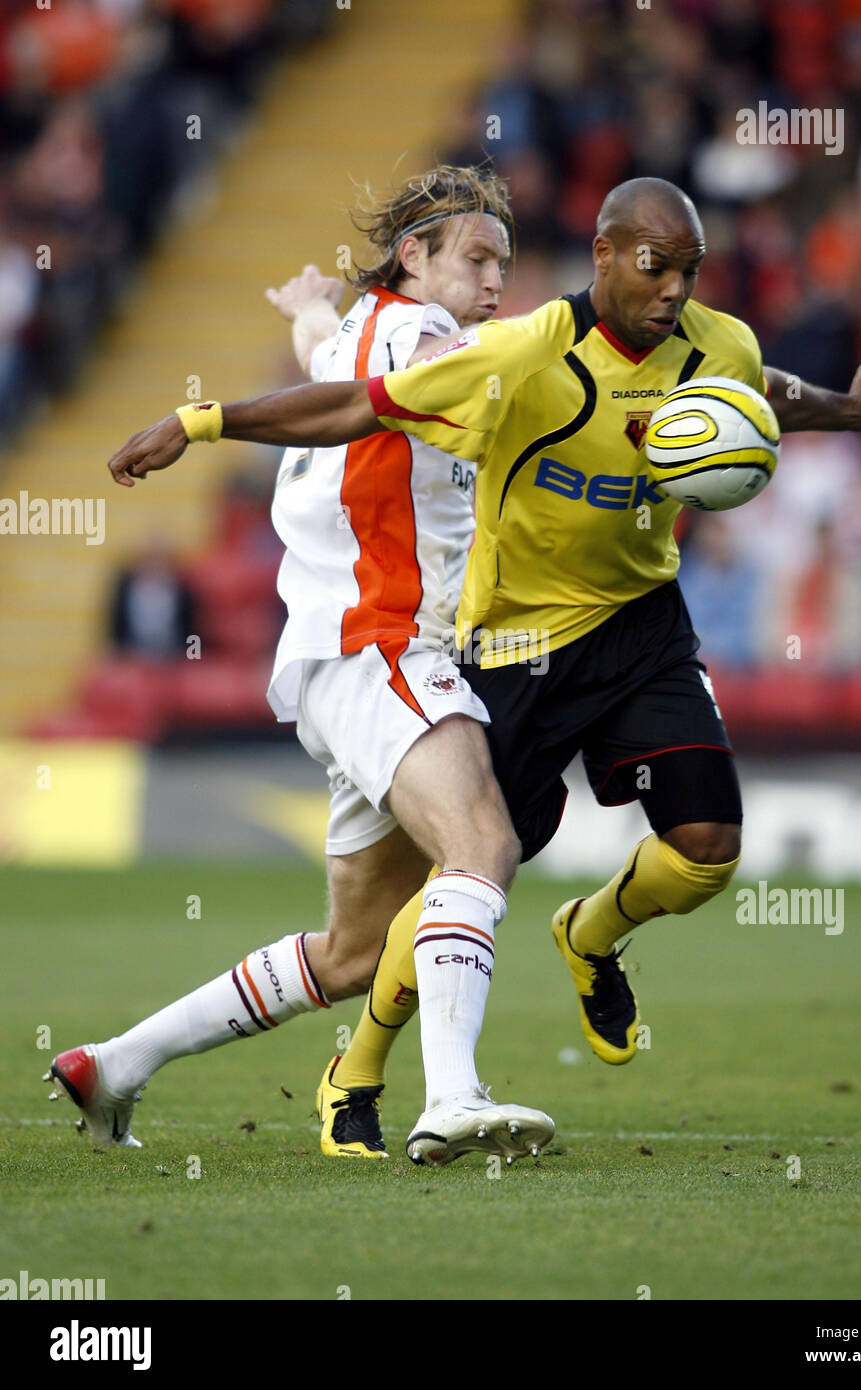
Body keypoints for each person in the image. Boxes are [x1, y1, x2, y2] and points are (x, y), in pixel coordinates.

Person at [105, 176, 861, 1161]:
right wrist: (199, 423)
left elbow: (760, 387)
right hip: (505, 645)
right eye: (657, 266)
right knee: (464, 867)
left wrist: (847, 410)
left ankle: (590, 936)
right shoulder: (513, 352)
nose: (674, 289)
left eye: (691, 271)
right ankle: (365, 1066)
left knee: (704, 846)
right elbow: (357, 394)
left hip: (637, 624)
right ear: (605, 254)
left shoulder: (710, 341)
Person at [49, 166, 555, 1168]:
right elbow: (353, 397)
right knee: (483, 845)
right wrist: (205, 421)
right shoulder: (423, 341)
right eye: (477, 259)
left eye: (504, 261)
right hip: (385, 643)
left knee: (356, 953)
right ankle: (451, 1096)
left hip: (332, 664)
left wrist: (314, 308)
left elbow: (334, 374)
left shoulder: (357, 332)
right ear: (414, 257)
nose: (496, 280)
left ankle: (114, 1062)